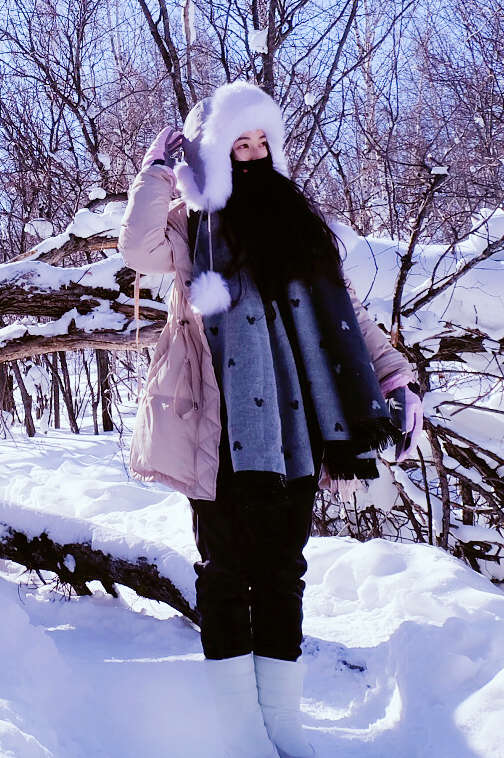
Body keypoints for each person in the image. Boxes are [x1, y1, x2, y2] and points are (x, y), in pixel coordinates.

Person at [118, 81, 423, 758]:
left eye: (262, 143)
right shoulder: (190, 229)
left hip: (296, 432)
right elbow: (137, 250)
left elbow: (349, 316)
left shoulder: (299, 232)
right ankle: (239, 736)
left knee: (283, 571)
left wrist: (393, 373)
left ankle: (282, 724)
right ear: (214, 154)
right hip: (218, 431)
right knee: (225, 571)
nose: (252, 156)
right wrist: (157, 172)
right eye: (238, 145)